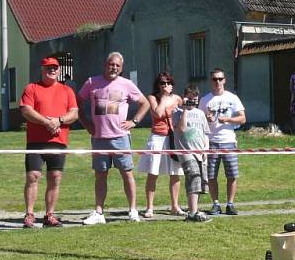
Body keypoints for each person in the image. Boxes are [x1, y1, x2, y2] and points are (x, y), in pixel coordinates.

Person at [77, 51, 150, 225]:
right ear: (105, 64)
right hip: (99, 138)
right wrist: (86, 124)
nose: (114, 68)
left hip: (120, 138)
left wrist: (134, 121)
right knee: (100, 175)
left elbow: (145, 103)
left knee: (127, 174)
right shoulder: (91, 82)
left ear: (121, 68)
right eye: (111, 64)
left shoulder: (127, 84)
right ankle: (99, 212)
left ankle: (133, 210)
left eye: (117, 66)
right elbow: (76, 104)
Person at [19, 57, 79, 228]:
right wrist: (47, 122)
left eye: (55, 68)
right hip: (36, 142)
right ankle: (29, 214)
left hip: (58, 141)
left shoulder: (67, 90)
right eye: (48, 68)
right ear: (42, 69)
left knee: (55, 177)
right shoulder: (32, 88)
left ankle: (49, 215)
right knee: (33, 176)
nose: (52, 70)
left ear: (59, 70)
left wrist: (59, 121)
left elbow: (74, 113)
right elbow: (26, 110)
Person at [139, 71, 184, 218]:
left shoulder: (177, 98)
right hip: (157, 137)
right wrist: (164, 98)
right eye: (163, 83)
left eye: (168, 82)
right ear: (158, 85)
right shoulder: (153, 98)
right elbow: (158, 114)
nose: (166, 85)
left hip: (173, 137)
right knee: (153, 172)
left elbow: (187, 110)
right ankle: (150, 207)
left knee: (175, 172)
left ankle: (175, 206)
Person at [201, 68, 246, 215]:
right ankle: (215, 204)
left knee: (232, 174)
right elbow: (198, 121)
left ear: (224, 80)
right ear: (211, 81)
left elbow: (243, 118)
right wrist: (205, 119)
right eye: (214, 79)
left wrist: (228, 119)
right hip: (211, 141)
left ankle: (230, 204)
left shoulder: (232, 98)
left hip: (228, 141)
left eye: (220, 79)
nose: (217, 82)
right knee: (211, 175)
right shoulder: (205, 99)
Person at [173, 85, 212, 223]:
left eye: (194, 99)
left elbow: (205, 133)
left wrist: (205, 149)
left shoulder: (201, 113)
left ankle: (195, 210)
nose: (192, 101)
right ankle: (192, 212)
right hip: (186, 151)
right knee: (193, 177)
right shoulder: (177, 112)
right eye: (189, 98)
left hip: (200, 152)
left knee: (201, 181)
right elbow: (181, 129)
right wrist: (184, 110)